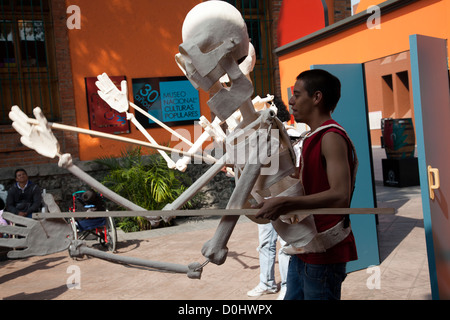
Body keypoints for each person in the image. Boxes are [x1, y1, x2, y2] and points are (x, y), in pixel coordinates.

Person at [255, 69, 358, 300]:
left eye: (297, 94)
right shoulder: (310, 137)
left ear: (317, 97)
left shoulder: (331, 137)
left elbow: (340, 195)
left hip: (324, 251)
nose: (291, 100)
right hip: (304, 246)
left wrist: (285, 202)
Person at [247, 96, 298, 300]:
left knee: (287, 243)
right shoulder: (257, 137)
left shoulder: (290, 135)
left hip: (285, 196)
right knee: (265, 242)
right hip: (265, 196)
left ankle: (287, 285)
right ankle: (266, 282)